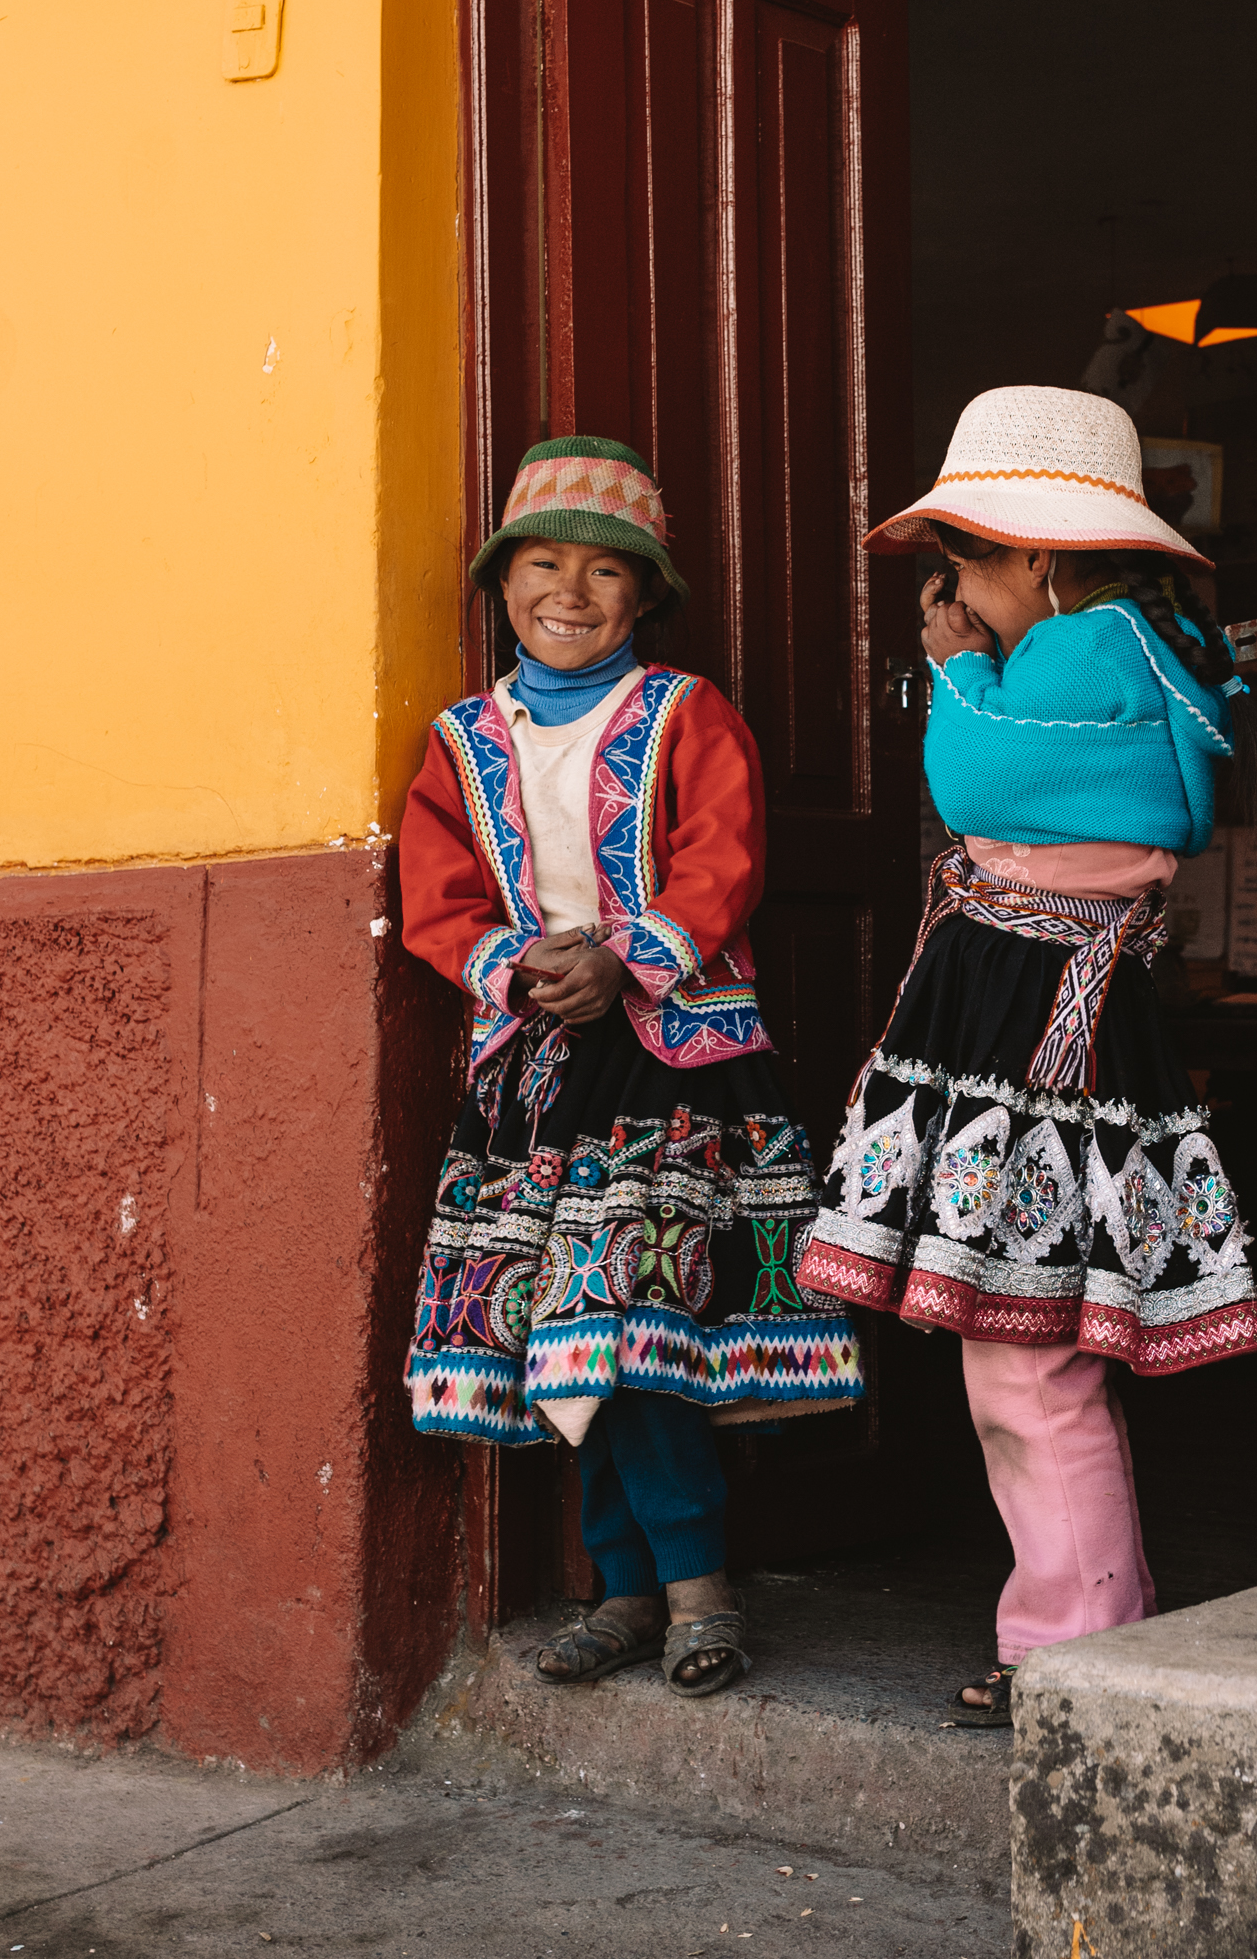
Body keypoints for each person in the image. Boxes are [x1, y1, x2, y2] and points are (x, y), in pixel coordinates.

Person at [796, 387, 1257, 1725]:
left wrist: (954, 675)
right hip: (1043, 1017)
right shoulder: (1135, 643)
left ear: (1039, 560)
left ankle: (1076, 1652)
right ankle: (1077, 1632)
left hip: (1034, 1038)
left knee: (1025, 1353)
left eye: (967, 570)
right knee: (1030, 1345)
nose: (954, 601)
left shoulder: (1080, 654)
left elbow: (979, 785)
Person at [400, 434, 862, 1697]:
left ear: (644, 597)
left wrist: (627, 958)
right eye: (541, 564)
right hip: (533, 1070)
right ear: (501, 585)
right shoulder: (459, 740)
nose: (569, 592)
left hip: (670, 1059)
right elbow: (437, 893)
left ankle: (692, 1585)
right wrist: (512, 966)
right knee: (569, 1332)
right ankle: (625, 1587)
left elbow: (723, 859)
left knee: (636, 1325)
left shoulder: (686, 714)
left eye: (604, 574)